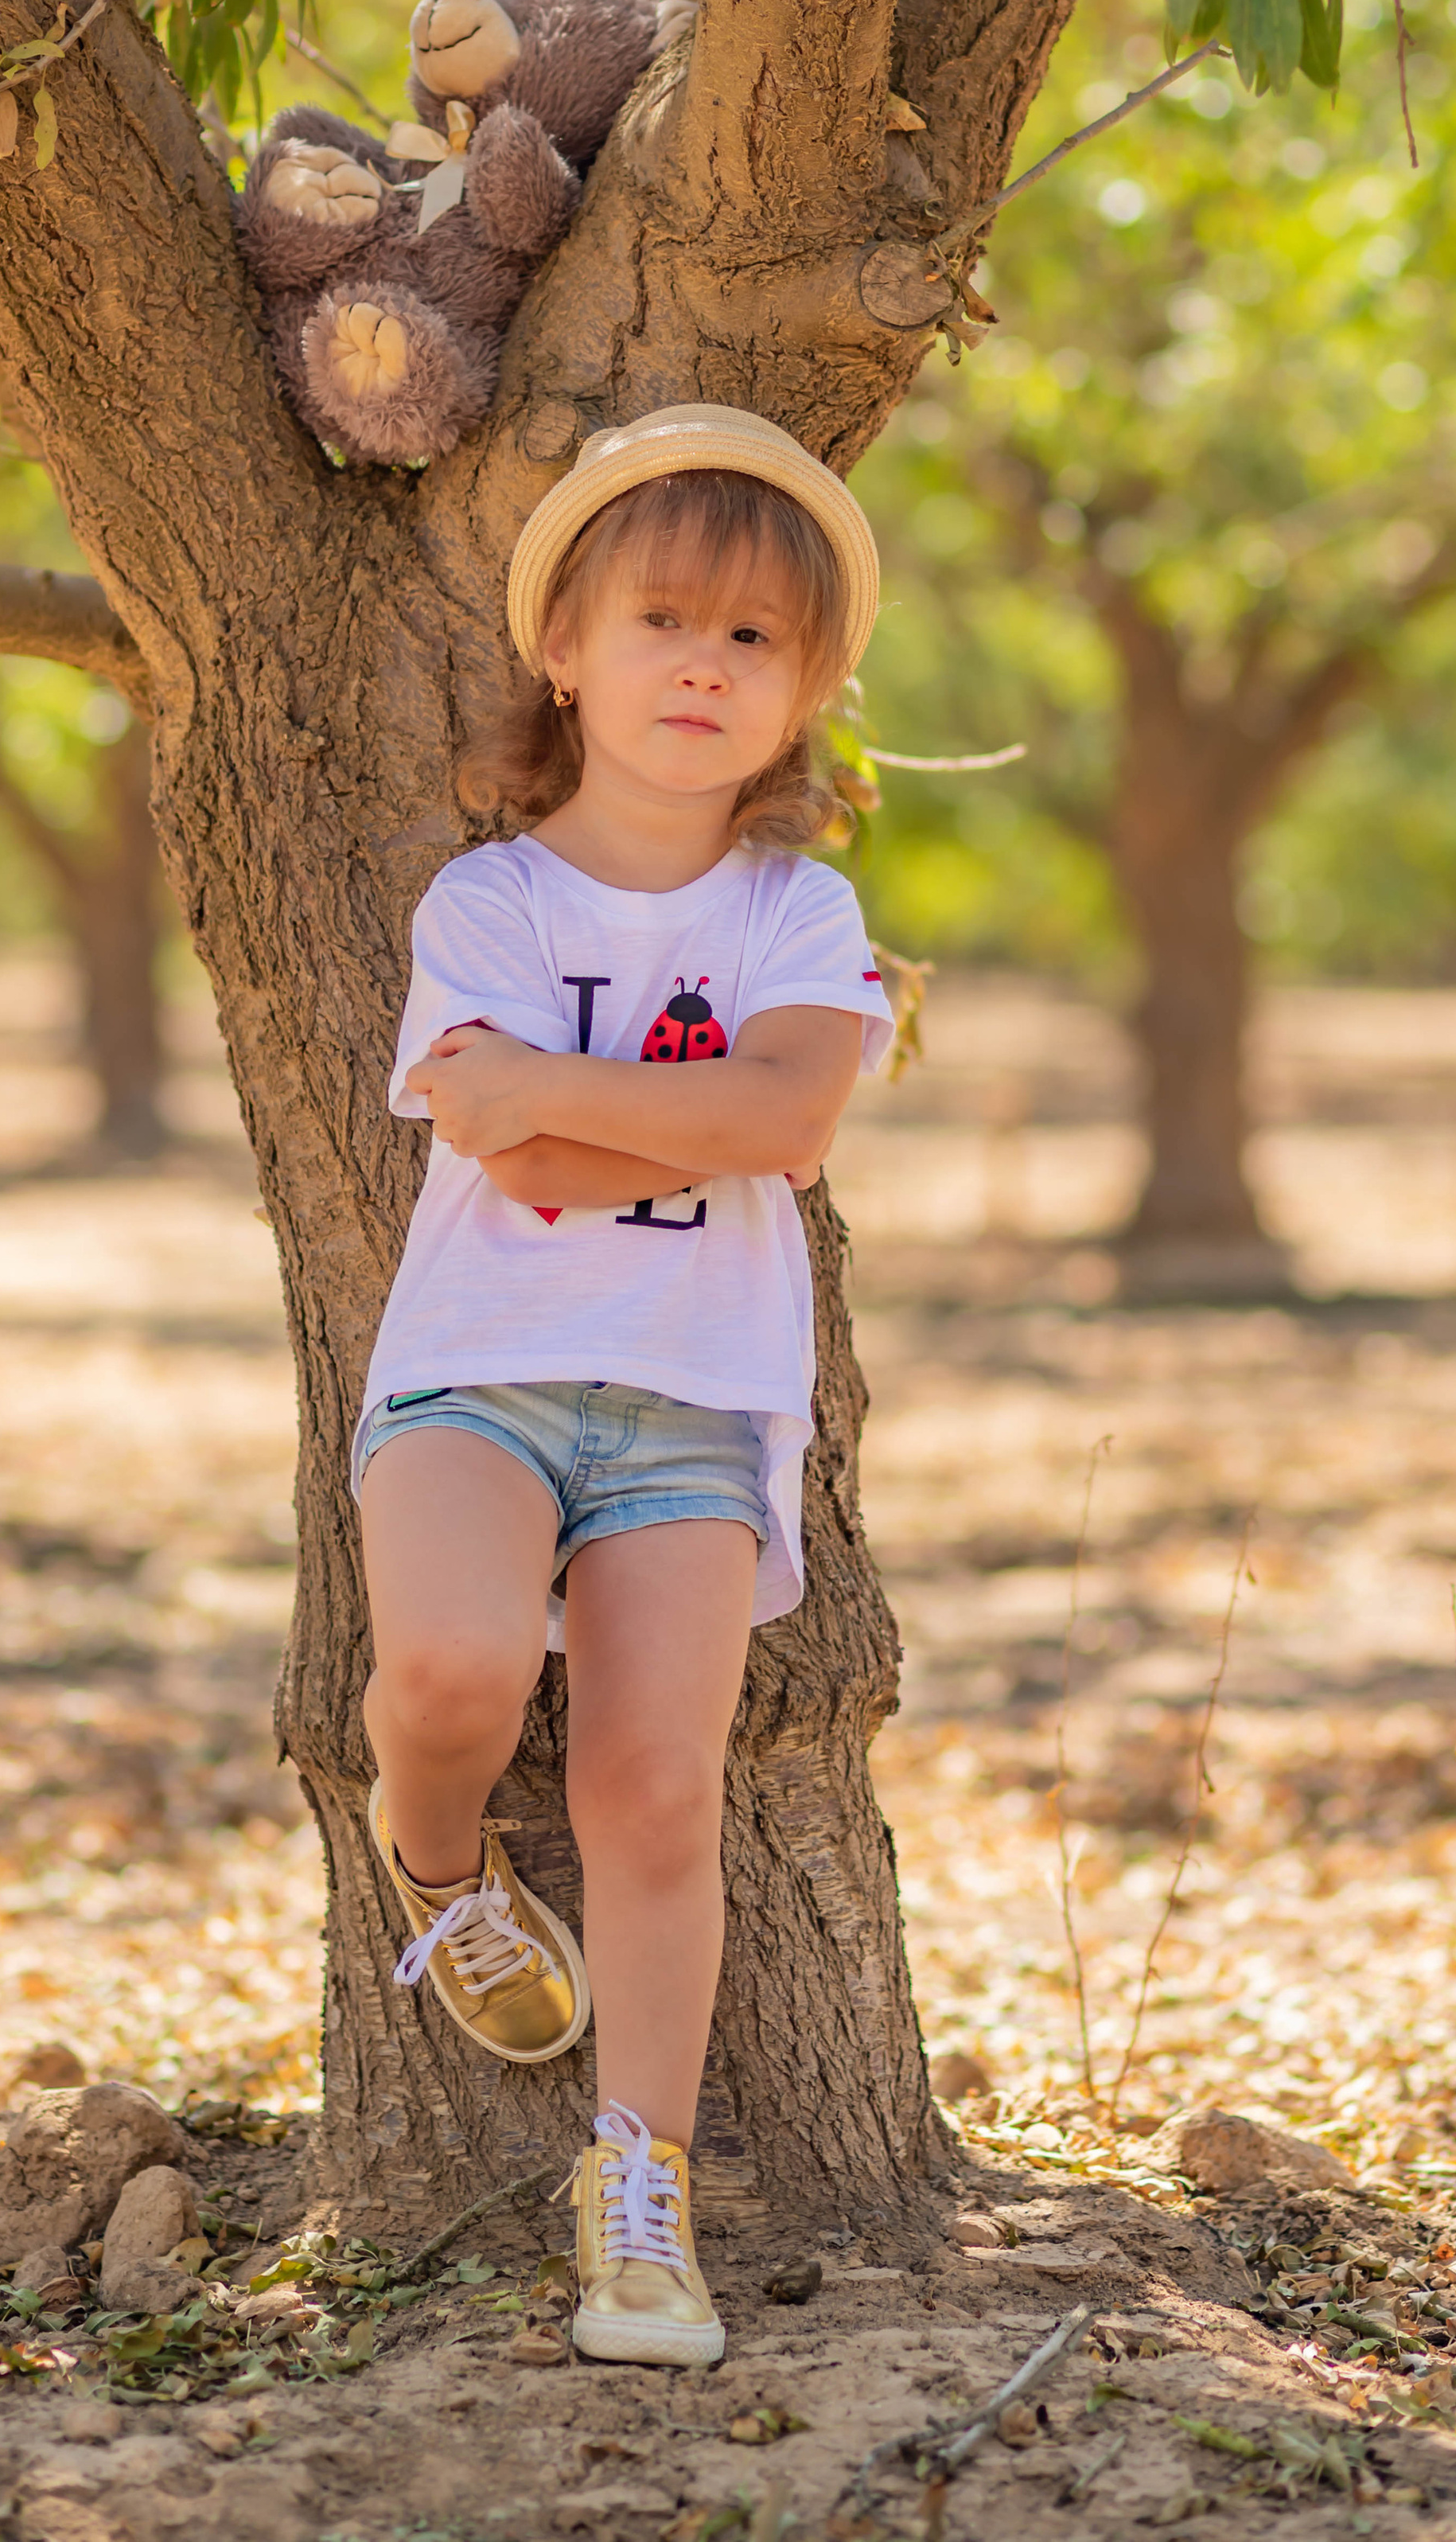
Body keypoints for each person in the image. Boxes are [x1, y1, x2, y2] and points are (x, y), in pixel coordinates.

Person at [352, 403, 893, 2369]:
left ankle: (636, 2194)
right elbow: (524, 1163)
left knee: (654, 1790)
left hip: (690, 1405)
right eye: (662, 618)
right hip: (475, 1378)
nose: (702, 664)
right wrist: (700, 1109)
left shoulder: (795, 916)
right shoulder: (488, 902)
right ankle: (433, 1857)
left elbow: (785, 1122)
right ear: (564, 650)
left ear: (803, 691)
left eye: (754, 638)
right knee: (450, 1677)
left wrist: (572, 1098)